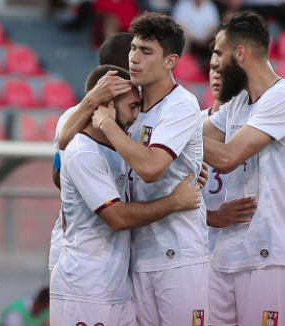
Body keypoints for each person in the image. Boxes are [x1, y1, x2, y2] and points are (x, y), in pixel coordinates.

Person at [50, 64, 202, 326]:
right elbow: (117, 217)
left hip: (116, 288)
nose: (138, 115)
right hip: (86, 290)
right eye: (133, 106)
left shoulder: (117, 147)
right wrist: (175, 201)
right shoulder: (83, 151)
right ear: (107, 105)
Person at [90, 13, 209, 325]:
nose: (134, 58)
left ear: (170, 61)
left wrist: (106, 123)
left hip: (178, 257)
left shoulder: (181, 104)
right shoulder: (132, 105)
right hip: (140, 257)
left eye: (146, 51)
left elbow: (151, 168)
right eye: (133, 48)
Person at [203, 11, 285, 325]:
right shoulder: (238, 103)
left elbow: (227, 157)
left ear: (240, 54)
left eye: (219, 54)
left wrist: (176, 141)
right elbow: (196, 136)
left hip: (272, 254)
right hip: (227, 254)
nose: (214, 63)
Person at [48, 32, 134, 275]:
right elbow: (58, 178)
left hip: (113, 253)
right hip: (80, 256)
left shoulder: (133, 114)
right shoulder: (74, 117)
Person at [202, 46, 258, 252]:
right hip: (198, 242)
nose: (217, 75)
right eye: (212, 68)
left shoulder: (255, 128)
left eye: (223, 70)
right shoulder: (192, 125)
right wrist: (210, 216)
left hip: (239, 244)